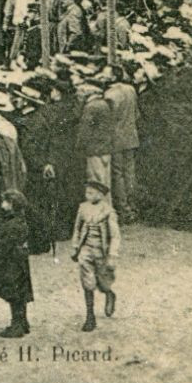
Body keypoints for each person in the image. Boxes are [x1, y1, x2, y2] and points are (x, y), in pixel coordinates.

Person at [71, 179, 122, 332]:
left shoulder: (108, 211)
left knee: (103, 282)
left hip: (102, 251)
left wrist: (112, 254)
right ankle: (90, 317)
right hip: (86, 249)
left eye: (91, 193)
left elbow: (115, 236)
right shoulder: (83, 208)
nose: (88, 195)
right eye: (86, 192)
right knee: (88, 283)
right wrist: (75, 247)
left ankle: (109, 294)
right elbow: (77, 229)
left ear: (100, 195)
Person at [0, 189, 34, 338]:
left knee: (14, 294)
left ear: (12, 204)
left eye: (5, 202)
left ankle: (17, 325)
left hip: (11, 263)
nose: (2, 205)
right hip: (19, 262)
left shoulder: (12, 224)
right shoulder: (19, 220)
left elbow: (5, 243)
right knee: (20, 293)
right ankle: (23, 322)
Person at [103, 69, 140, 223]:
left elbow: (107, 119)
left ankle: (124, 209)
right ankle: (133, 205)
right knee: (130, 172)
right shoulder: (131, 90)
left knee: (117, 174)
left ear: (112, 76)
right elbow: (137, 114)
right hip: (131, 136)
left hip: (116, 139)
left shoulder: (110, 95)